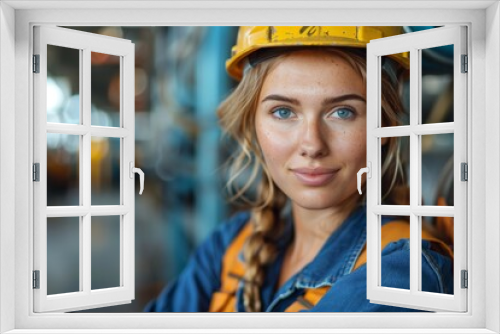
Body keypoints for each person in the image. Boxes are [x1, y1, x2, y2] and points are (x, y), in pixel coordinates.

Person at [145, 26, 454, 312]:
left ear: (385, 126)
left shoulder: (404, 271)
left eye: (342, 112)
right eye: (283, 112)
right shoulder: (228, 244)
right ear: (252, 124)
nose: (312, 144)